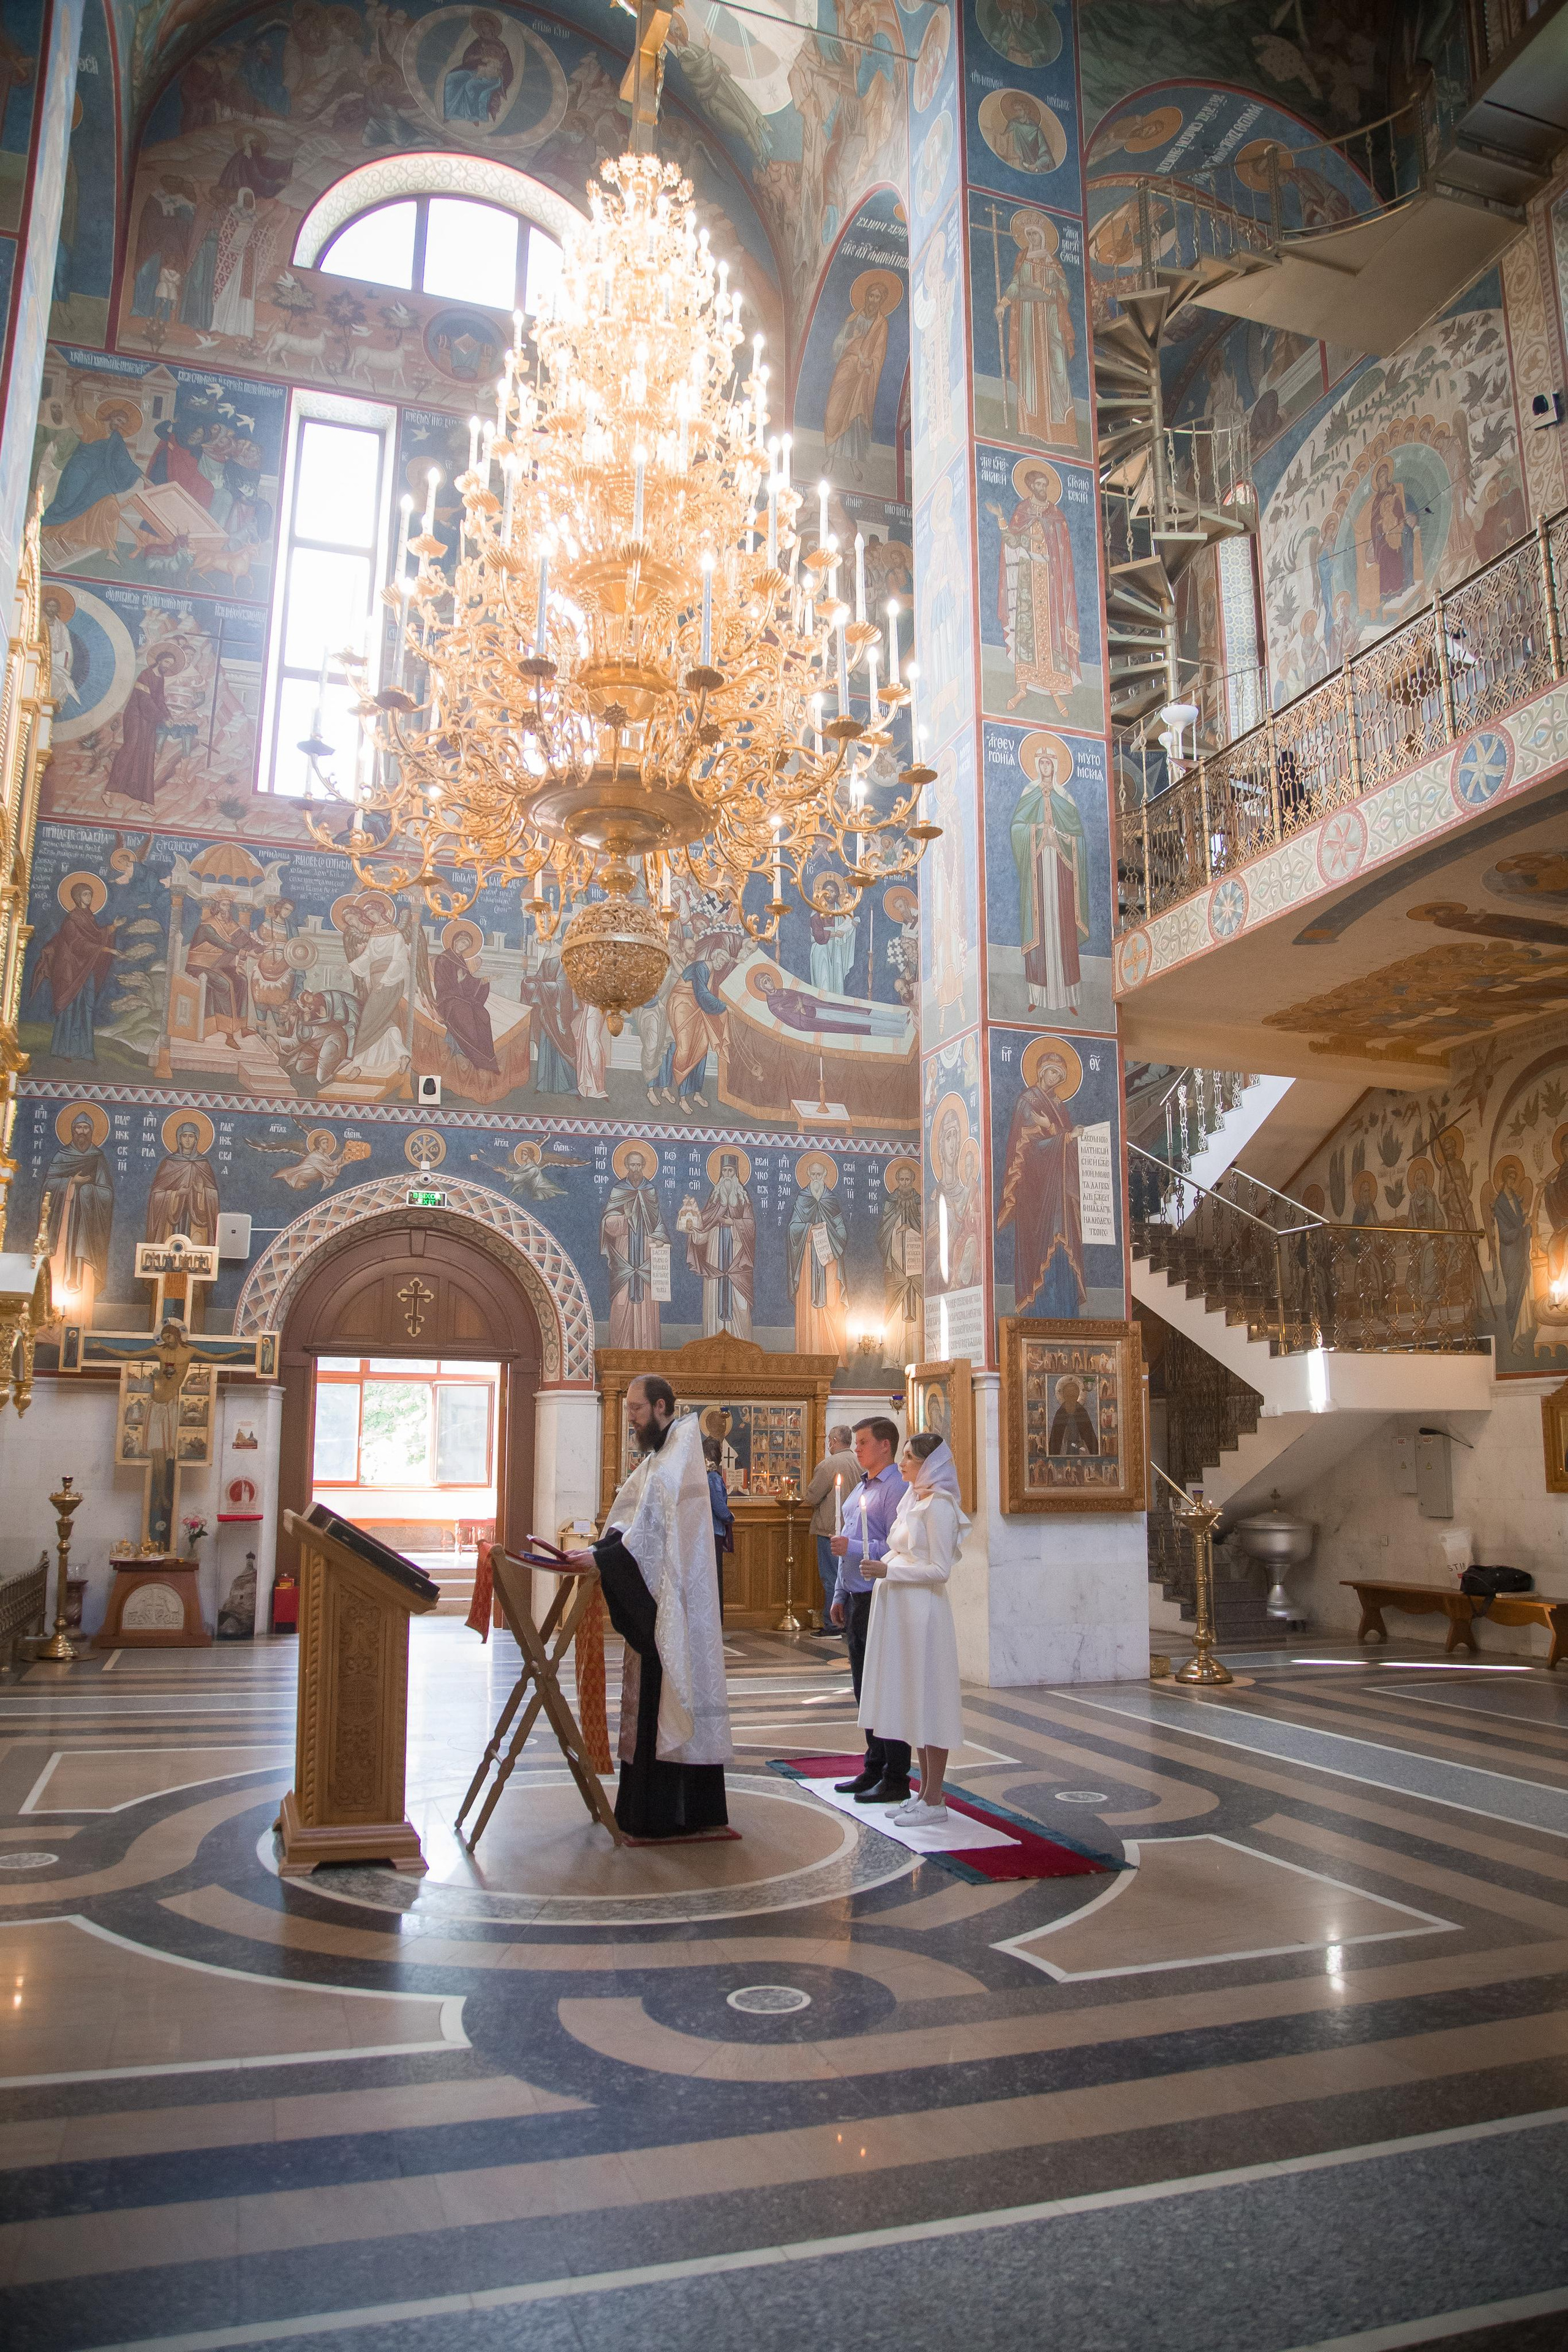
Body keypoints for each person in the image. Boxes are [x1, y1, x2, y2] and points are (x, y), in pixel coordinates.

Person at [562, 1376, 733, 1841]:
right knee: (655, 1694)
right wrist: (600, 1552)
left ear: (660, 1406)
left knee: (666, 1692)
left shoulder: (678, 1454)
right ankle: (662, 1810)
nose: (631, 1418)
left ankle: (665, 1814)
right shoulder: (663, 1454)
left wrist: (602, 1559)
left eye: (636, 1409)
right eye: (629, 1410)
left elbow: (655, 1531)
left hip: (673, 1600)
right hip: (659, 1592)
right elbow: (631, 1521)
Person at [856, 1432, 967, 1828]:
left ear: (928, 1464)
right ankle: (922, 1794)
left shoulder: (939, 1505)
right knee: (915, 1701)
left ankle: (935, 1798)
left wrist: (888, 1571)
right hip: (903, 1615)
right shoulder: (913, 1498)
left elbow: (939, 1570)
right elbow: (902, 1549)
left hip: (925, 1616)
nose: (902, 1463)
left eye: (908, 1458)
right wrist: (880, 1564)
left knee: (931, 1702)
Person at [827, 1417, 910, 1803]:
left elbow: (897, 1549)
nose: (857, 1448)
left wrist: (855, 1549)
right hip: (856, 1597)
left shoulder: (897, 1488)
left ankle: (896, 1774)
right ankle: (873, 1766)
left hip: (881, 1598)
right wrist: (839, 1593)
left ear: (885, 1446)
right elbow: (846, 1538)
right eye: (856, 1442)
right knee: (864, 1687)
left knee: (885, 1687)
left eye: (863, 1442)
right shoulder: (862, 1485)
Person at [800, 1424, 860, 1636]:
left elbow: (812, 1496)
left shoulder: (829, 1465)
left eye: (829, 1441)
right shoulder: (860, 1463)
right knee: (850, 1577)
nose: (828, 1445)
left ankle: (833, 1624)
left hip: (830, 1531)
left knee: (831, 1577)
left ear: (834, 1441)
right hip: (854, 1532)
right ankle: (850, 1624)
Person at [703, 1434, 734, 1604]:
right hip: (714, 1532)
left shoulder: (704, 1477)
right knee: (715, 1578)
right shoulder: (713, 1478)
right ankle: (716, 1618)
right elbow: (719, 1508)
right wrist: (730, 1516)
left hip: (707, 1532)